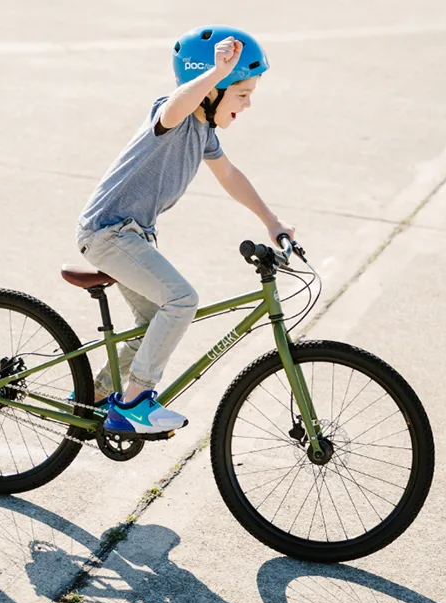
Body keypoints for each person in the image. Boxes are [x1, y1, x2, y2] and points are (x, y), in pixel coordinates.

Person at [75, 24, 295, 435]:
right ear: (211, 91)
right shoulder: (172, 115)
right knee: (181, 300)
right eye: (242, 94)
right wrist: (216, 72)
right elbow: (178, 102)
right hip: (108, 232)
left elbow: (230, 176)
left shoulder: (204, 132)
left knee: (154, 324)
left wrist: (272, 222)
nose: (247, 106)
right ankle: (134, 402)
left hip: (132, 235)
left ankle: (99, 395)